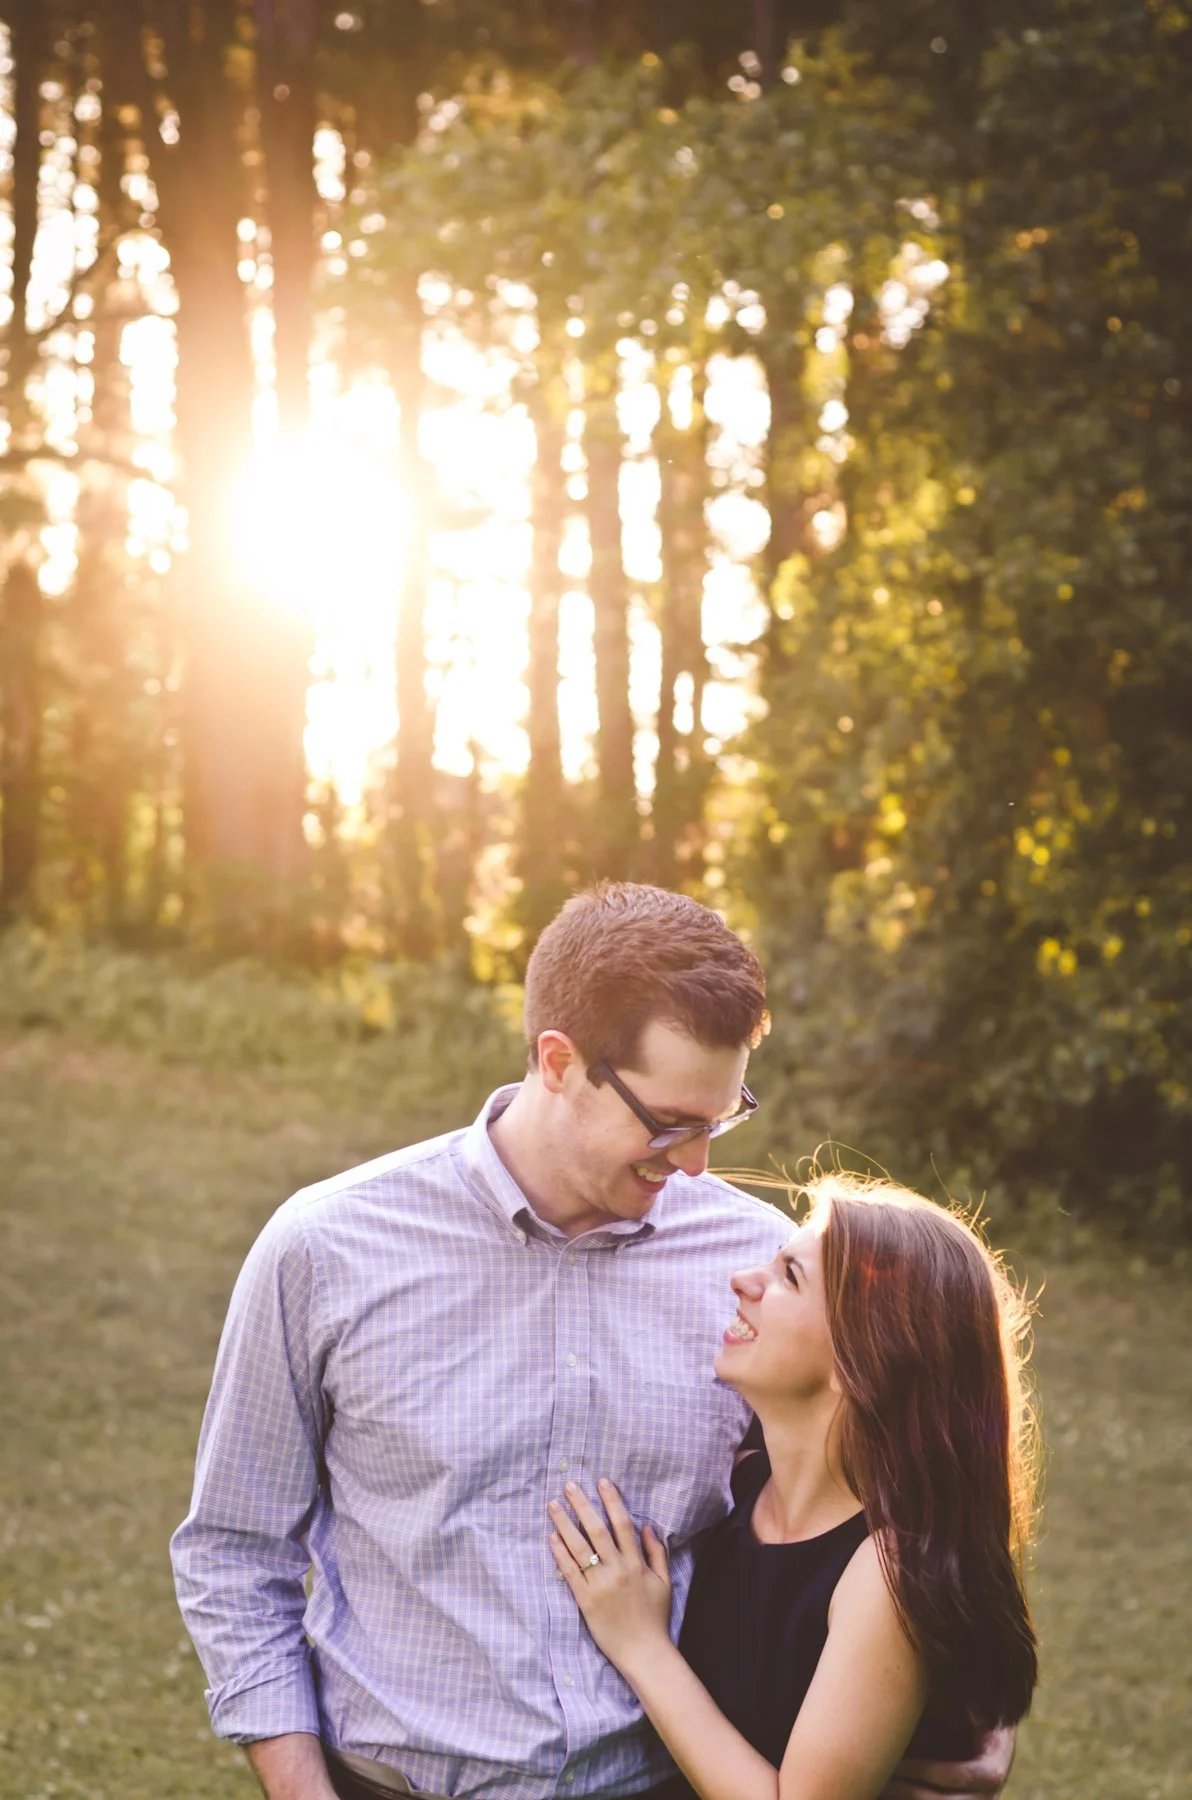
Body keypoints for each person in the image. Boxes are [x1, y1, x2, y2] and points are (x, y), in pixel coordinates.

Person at [171, 883, 1015, 1800]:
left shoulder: (748, 1262)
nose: (695, 1163)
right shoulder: (325, 1248)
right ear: (559, 1061)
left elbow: (912, 1459)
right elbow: (234, 1552)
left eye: (721, 1119)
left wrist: (970, 1702)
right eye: (669, 1123)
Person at [548, 1176, 1038, 1800]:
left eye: (789, 1277)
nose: (742, 1280)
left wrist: (641, 1646)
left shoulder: (886, 1570)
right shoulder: (744, 1484)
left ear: (859, 1360)